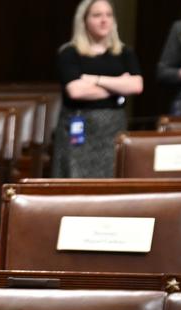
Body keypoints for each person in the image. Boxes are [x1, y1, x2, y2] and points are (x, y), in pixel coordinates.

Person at [52, 0, 144, 178]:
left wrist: (95, 79)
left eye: (109, 15)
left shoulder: (124, 53)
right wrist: (118, 86)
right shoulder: (69, 53)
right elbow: (76, 91)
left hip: (113, 129)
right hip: (80, 130)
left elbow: (136, 86)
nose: (104, 20)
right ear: (84, 20)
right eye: (97, 15)